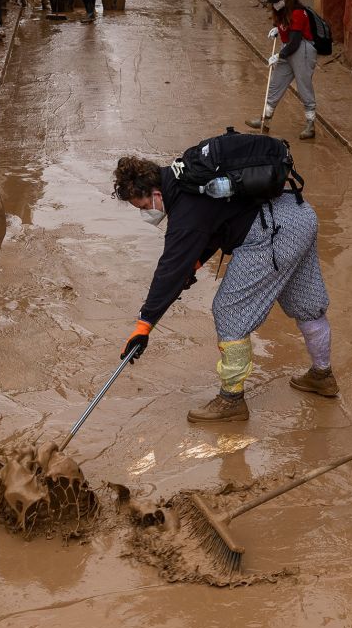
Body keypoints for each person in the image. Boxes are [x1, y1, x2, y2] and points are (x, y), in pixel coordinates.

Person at [112, 150, 338, 423]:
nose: (145, 213)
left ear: (154, 193)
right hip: (299, 215)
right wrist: (195, 264)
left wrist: (144, 325)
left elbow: (169, 269)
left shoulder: (184, 208)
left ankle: (231, 400)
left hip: (272, 230)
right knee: (306, 301)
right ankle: (322, 375)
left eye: (142, 206)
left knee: (229, 311)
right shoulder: (186, 175)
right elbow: (216, 224)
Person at [245, 0, 321, 140]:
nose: (274, 5)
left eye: (277, 1)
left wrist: (280, 56)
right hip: (289, 49)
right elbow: (288, 33)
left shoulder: (298, 13)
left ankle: (310, 124)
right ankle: (264, 119)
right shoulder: (282, 10)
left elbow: (295, 41)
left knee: (304, 87)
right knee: (275, 83)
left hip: (303, 50)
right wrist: (277, 31)